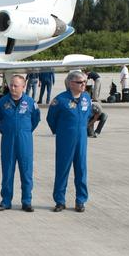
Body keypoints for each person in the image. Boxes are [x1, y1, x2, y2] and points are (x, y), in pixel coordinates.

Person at [45, 71, 92, 212]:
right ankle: (60, 200)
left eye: (84, 82)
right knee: (62, 169)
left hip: (81, 139)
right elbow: (51, 118)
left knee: (81, 169)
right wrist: (60, 131)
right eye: (80, 82)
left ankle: (80, 200)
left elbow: (88, 115)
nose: (83, 84)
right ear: (71, 83)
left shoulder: (86, 98)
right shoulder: (60, 100)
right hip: (65, 138)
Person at [0, 73, 40, 212]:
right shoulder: (2, 102)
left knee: (26, 171)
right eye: (11, 85)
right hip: (8, 140)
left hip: (25, 141)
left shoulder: (31, 103)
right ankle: (6, 201)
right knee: (7, 171)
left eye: (16, 86)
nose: (13, 88)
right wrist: (7, 131)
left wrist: (25, 132)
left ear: (23, 86)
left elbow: (35, 120)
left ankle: (27, 201)